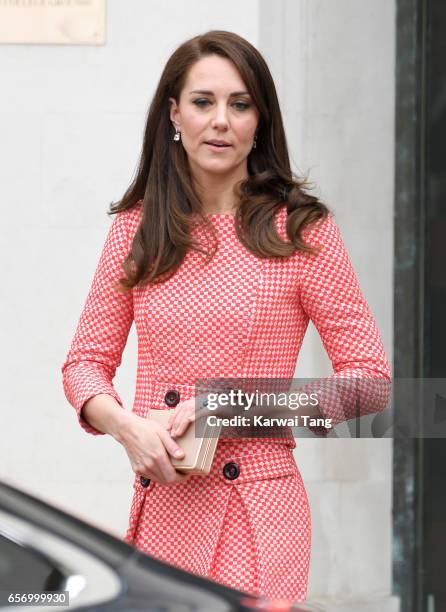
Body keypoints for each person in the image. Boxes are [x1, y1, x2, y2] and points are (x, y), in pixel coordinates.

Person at [61, 30, 391, 602]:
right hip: (163, 504)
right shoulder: (137, 228)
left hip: (257, 511)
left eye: (240, 104)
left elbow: (370, 385)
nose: (221, 121)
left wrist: (232, 410)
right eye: (202, 101)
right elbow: (84, 363)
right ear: (174, 114)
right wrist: (125, 427)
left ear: (260, 121)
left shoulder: (301, 230)